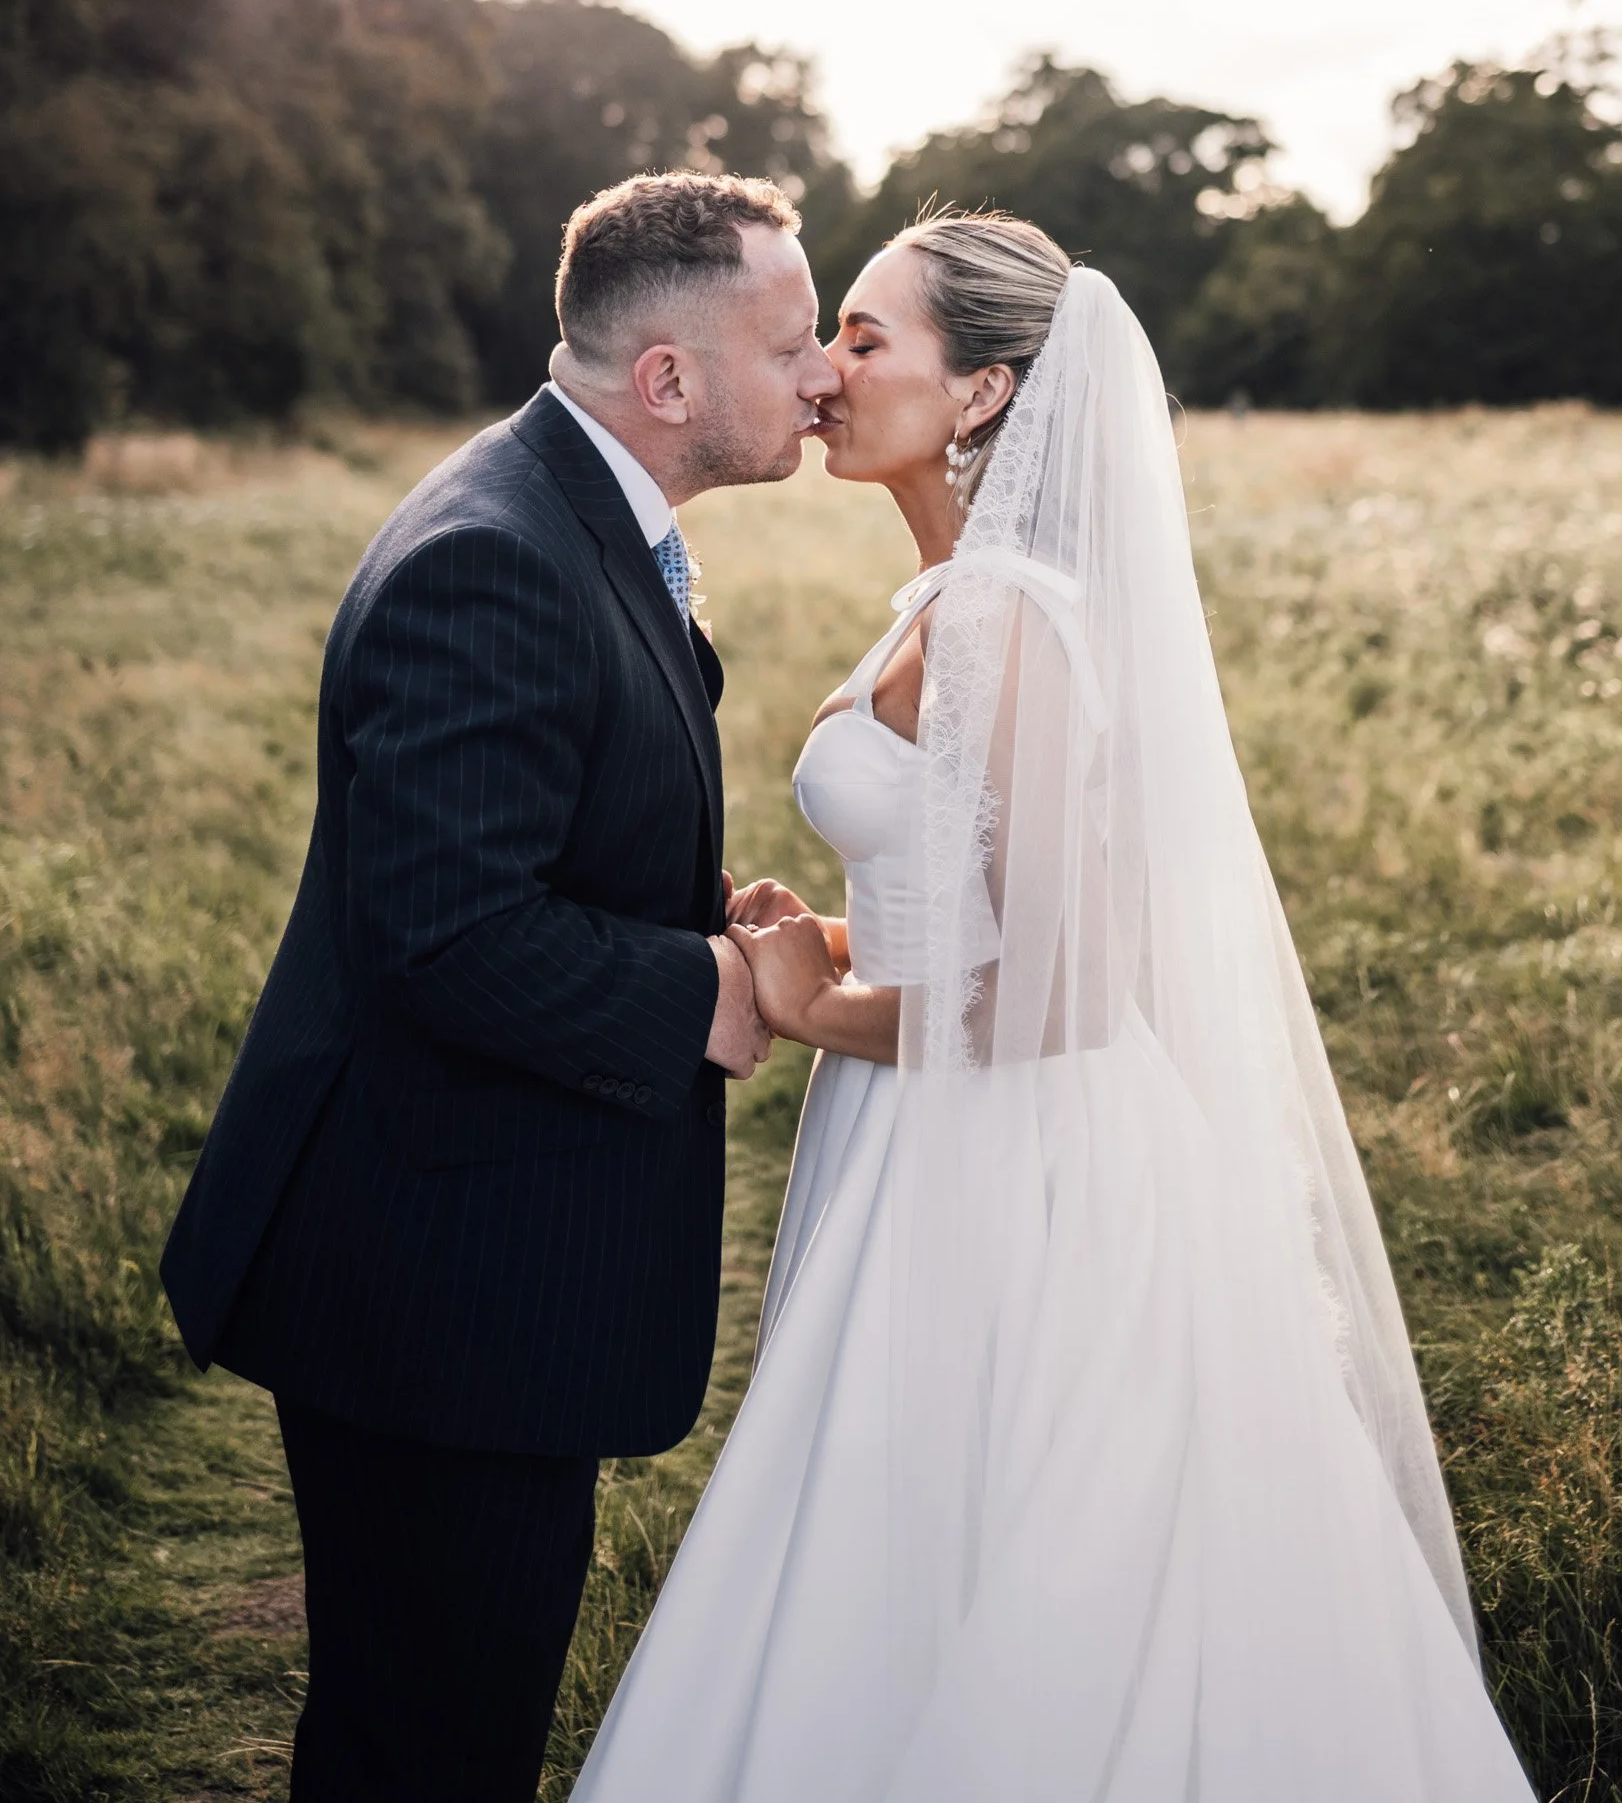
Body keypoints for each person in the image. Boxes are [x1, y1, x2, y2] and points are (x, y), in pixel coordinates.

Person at [575, 211, 1535, 1802]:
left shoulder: (1008, 616)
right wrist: (833, 928)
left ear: (984, 392)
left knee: (1007, 1550)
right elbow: (988, 897)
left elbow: (1073, 986)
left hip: (1017, 1160)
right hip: (936, 1122)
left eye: (867, 340)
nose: (824, 372)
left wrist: (816, 1011)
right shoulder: (952, 598)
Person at [160, 170, 839, 1803]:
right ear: (667, 380)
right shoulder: (501, 555)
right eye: (796, 336)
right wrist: (708, 989)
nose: (824, 372)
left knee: (433, 1729)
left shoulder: (574, 511)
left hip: (464, 1249)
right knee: (427, 1748)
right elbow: (447, 930)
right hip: (437, 1281)